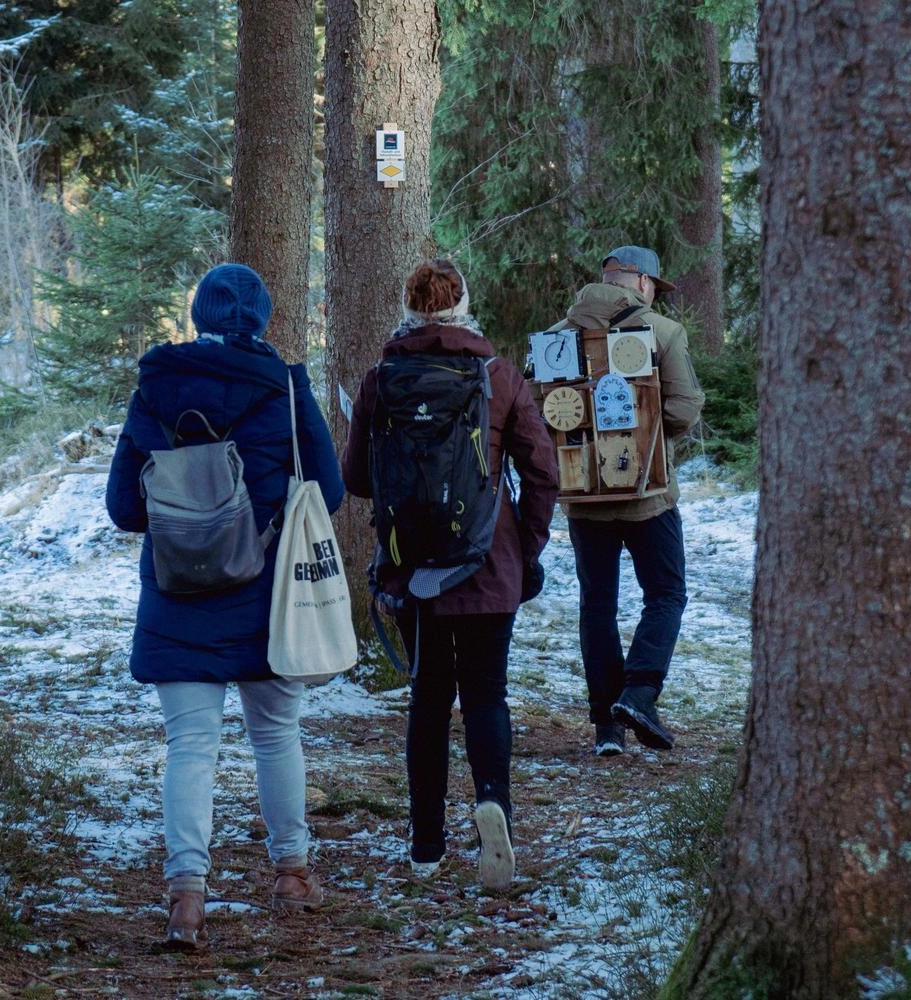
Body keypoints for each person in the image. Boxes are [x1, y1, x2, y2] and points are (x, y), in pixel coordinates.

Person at [105, 263, 345, 949]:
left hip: (178, 600)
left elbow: (125, 508)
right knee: (276, 735)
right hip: (268, 600)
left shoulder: (155, 387)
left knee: (190, 747)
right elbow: (326, 492)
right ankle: (293, 875)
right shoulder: (287, 388)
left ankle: (186, 899)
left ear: (196, 315)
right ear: (263, 320)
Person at [339, 259, 556, 889]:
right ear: (464, 304)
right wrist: (526, 549)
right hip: (489, 565)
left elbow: (356, 479)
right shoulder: (497, 376)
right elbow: (542, 473)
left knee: (429, 699)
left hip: (415, 571)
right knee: (487, 693)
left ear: (409, 307)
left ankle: (426, 841)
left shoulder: (383, 379)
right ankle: (493, 804)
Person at [553, 246, 705, 757]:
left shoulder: (555, 337)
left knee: (597, 604)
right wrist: (649, 444)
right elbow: (684, 405)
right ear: (639, 282)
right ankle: (640, 693)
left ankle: (606, 729)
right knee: (666, 593)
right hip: (649, 497)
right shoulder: (663, 333)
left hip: (582, 494)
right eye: (653, 286)